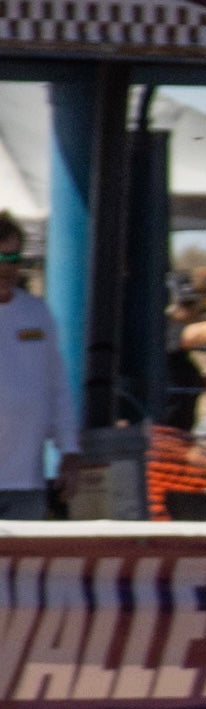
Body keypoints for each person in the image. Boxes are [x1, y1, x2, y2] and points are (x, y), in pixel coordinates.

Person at [0, 215, 78, 520]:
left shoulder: (37, 312)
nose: (6, 267)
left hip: (26, 481)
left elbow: (57, 386)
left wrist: (69, 450)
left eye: (13, 257)